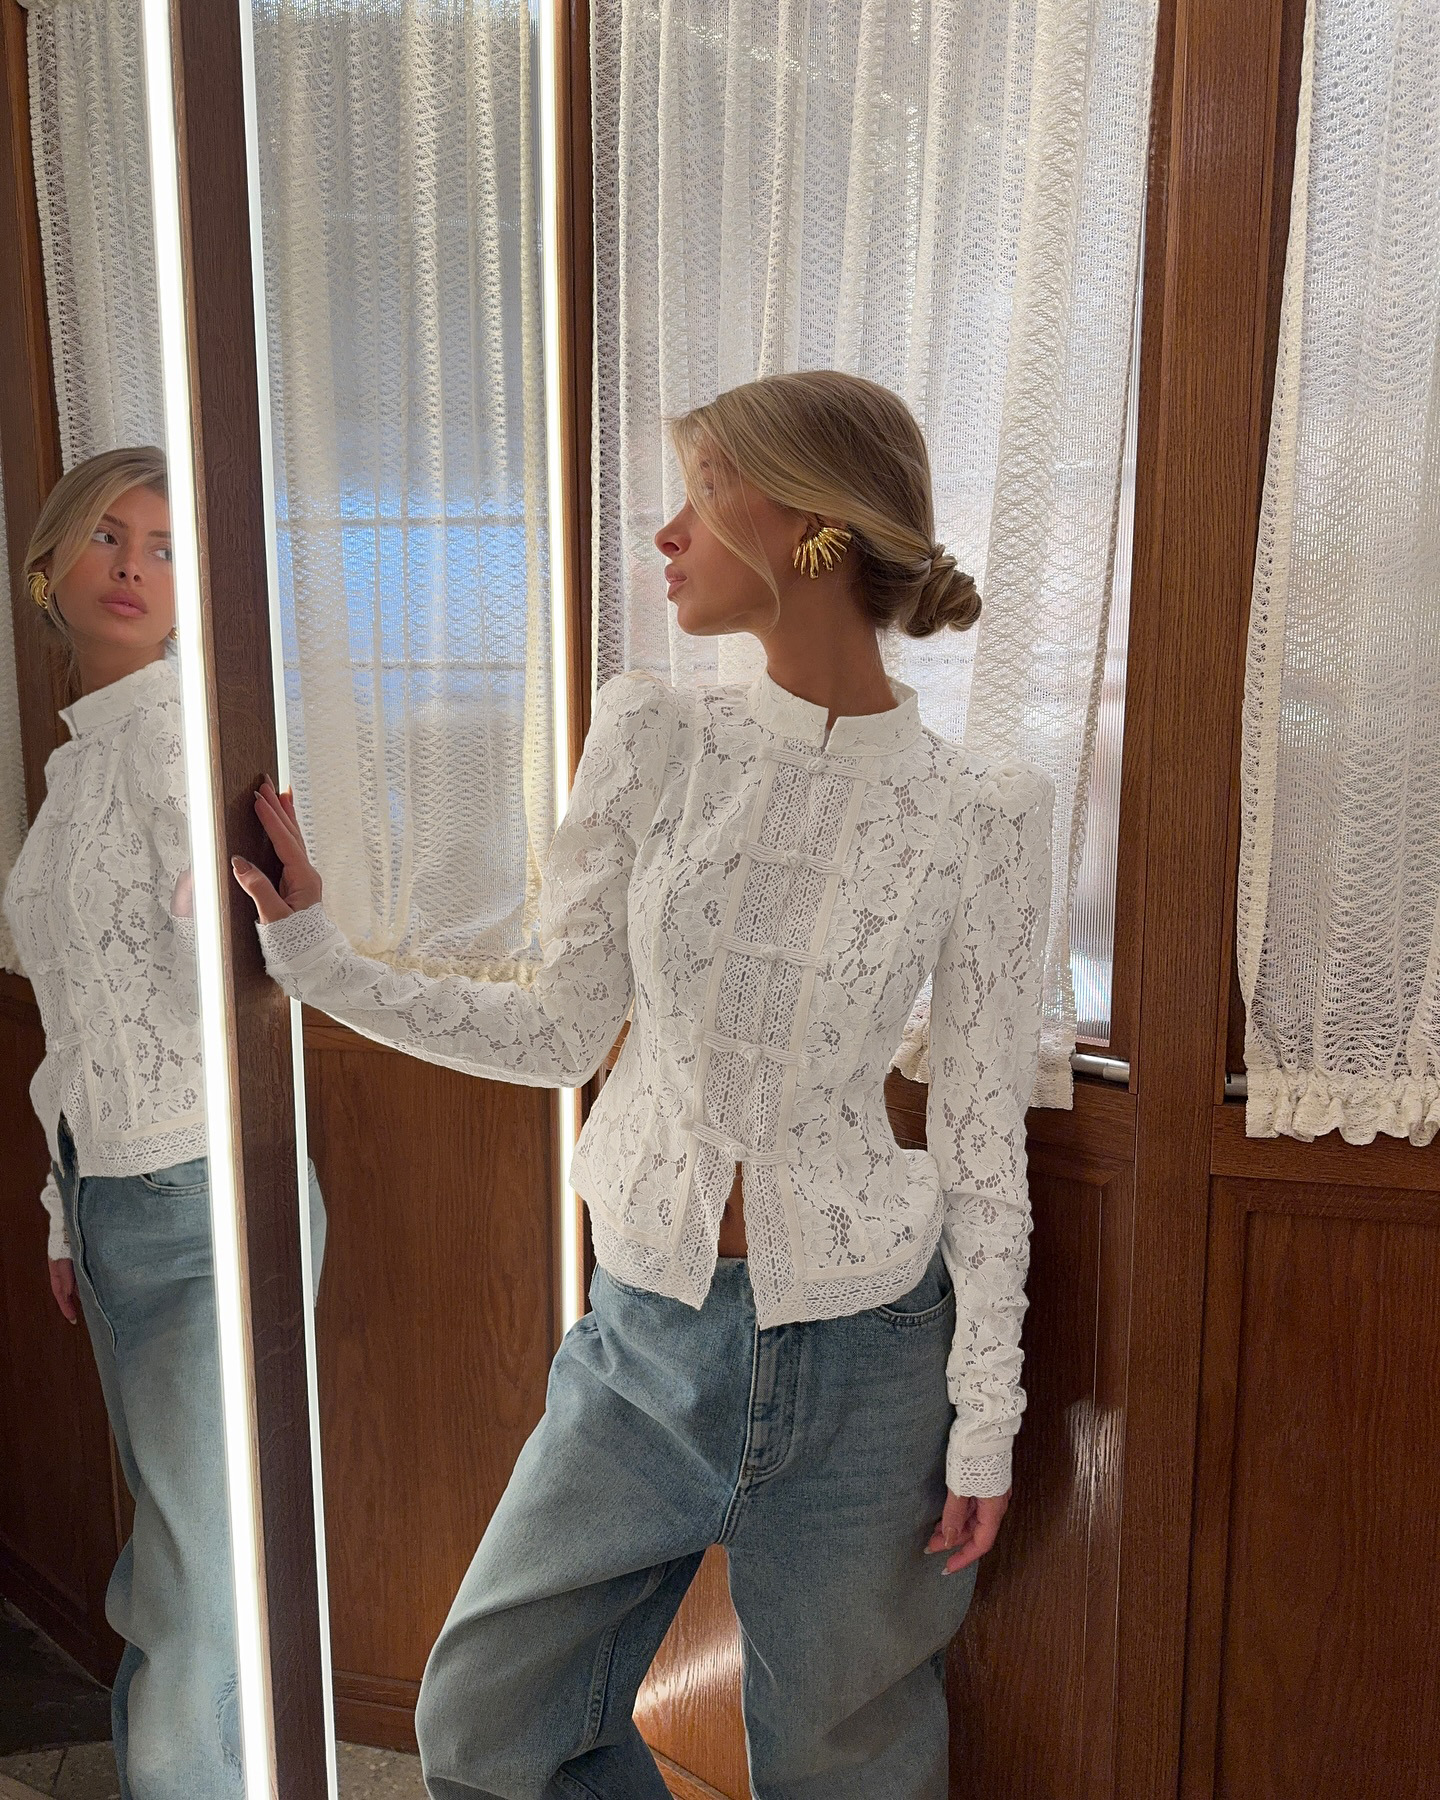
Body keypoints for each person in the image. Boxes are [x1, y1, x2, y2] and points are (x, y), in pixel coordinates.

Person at [235, 371, 1052, 1800]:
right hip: (646, 1339)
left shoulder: (980, 812)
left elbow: (984, 1138)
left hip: (871, 1358)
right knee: (488, 1721)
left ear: (812, 528)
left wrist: (987, 1413)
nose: (669, 534)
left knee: (846, 1769)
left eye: (706, 492)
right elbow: (563, 1032)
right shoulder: (656, 736)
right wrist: (319, 957)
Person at [3, 446, 324, 1800]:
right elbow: (77, 1023)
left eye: (166, 544)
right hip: (115, 1197)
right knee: (184, 1558)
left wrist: (258, 914)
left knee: (196, 1580)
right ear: (48, 571)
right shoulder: (81, 762)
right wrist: (63, 1212)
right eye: (106, 537)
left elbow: (256, 973)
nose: (134, 567)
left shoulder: (190, 740)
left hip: (204, 1196)